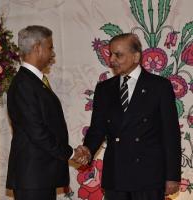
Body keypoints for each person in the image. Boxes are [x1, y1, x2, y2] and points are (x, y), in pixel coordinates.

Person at [77, 33, 181, 200]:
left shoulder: (159, 86)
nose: (112, 60)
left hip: (148, 176)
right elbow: (97, 128)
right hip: (116, 175)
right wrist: (88, 151)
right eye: (110, 54)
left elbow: (171, 134)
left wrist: (172, 176)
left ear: (136, 56)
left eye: (118, 55)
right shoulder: (104, 89)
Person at [6, 25, 84, 200]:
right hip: (33, 178)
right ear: (37, 48)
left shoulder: (33, 82)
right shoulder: (24, 84)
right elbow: (37, 131)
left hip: (40, 176)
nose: (53, 53)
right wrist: (70, 153)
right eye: (50, 47)